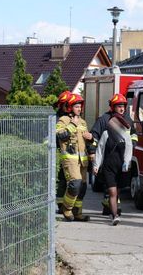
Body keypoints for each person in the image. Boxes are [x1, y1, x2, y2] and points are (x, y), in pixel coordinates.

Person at [91, 93, 137, 226]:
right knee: (112, 191)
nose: (122, 109)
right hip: (108, 165)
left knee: (118, 191)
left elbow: (131, 141)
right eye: (119, 106)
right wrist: (95, 162)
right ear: (113, 107)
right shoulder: (104, 121)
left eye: (123, 106)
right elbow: (99, 146)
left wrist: (127, 161)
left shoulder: (128, 121)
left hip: (121, 165)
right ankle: (114, 215)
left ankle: (110, 206)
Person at [56, 93, 93, 222]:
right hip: (70, 159)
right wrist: (72, 124)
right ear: (70, 107)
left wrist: (91, 139)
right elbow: (60, 136)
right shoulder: (64, 120)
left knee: (82, 188)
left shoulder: (83, 122)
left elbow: (89, 142)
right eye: (76, 106)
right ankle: (67, 208)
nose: (79, 109)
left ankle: (77, 213)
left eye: (80, 107)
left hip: (82, 161)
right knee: (75, 184)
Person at [54, 90, 72, 213]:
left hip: (71, 154)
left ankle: (67, 205)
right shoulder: (56, 119)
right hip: (59, 153)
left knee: (70, 180)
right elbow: (60, 136)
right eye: (67, 105)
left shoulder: (74, 117)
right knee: (62, 180)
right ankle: (61, 205)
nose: (69, 108)